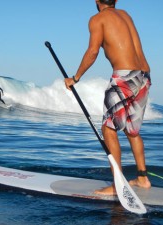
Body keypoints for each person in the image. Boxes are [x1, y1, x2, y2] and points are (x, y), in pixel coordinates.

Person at [64, 0, 151, 195]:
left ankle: (117, 185)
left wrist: (75, 78)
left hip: (124, 77)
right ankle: (142, 178)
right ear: (116, 0)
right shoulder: (125, 14)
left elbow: (93, 51)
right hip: (144, 76)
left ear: (96, 0)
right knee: (132, 131)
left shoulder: (98, 19)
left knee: (108, 129)